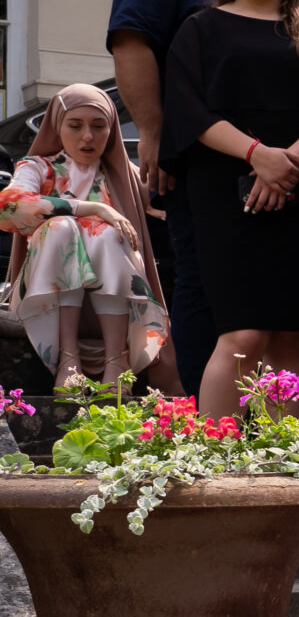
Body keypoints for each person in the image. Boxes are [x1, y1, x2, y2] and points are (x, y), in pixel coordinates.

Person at [162, 0, 299, 420]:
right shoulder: (200, 30)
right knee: (242, 332)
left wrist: (287, 164)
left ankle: (288, 466)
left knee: (290, 339)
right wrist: (258, 156)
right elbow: (189, 112)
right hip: (224, 194)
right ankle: (216, 465)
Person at [108, 0, 262, 394]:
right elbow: (131, 45)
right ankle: (204, 417)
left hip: (271, 164)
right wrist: (154, 131)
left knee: (258, 295)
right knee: (202, 287)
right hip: (197, 159)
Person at [0, 86, 171, 393]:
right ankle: (68, 358)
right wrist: (92, 207)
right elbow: (8, 205)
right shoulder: (38, 167)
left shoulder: (124, 175)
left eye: (99, 125)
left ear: (112, 129)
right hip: (48, 297)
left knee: (108, 233)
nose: (88, 137)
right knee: (62, 228)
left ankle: (117, 359)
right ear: (57, 127)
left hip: (114, 297)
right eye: (75, 126)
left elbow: (168, 200)